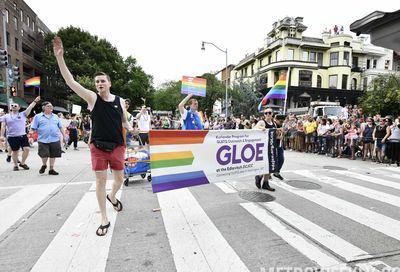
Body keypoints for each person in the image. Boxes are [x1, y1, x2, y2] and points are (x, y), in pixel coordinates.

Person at [53, 36, 137, 236]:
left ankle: (113, 197)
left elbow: (124, 122)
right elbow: (70, 81)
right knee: (100, 181)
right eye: (97, 81)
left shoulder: (119, 102)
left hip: (118, 146)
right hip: (98, 147)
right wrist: (59, 58)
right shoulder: (92, 98)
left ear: (109, 82)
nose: (99, 83)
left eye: (102, 80)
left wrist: (131, 127)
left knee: (118, 179)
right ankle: (104, 218)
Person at [0, 96, 40, 171]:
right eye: (12, 105)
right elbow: (3, 126)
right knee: (15, 151)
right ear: (10, 108)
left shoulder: (23, 114)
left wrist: (35, 101)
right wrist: (1, 135)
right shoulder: (6, 116)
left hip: (22, 135)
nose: (14, 106)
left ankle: (22, 163)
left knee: (27, 149)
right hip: (12, 136)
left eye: (15, 105)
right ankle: (15, 165)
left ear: (19, 108)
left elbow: (29, 108)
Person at [31, 101, 67, 175]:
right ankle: (44, 165)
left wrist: (64, 136)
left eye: (51, 106)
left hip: (55, 139)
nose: (51, 107)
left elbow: (60, 127)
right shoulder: (37, 117)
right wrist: (31, 136)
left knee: (53, 155)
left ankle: (51, 169)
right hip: (42, 139)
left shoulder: (56, 116)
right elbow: (33, 128)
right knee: (44, 155)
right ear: (43, 107)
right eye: (48, 106)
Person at [253, 108, 276, 191]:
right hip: (264, 146)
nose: (268, 114)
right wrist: (260, 128)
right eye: (266, 113)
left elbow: (275, 134)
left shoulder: (274, 123)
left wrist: (280, 136)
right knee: (265, 164)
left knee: (271, 165)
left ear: (272, 114)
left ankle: (265, 183)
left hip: (272, 146)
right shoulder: (262, 122)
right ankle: (259, 176)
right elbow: (254, 129)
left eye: (269, 113)